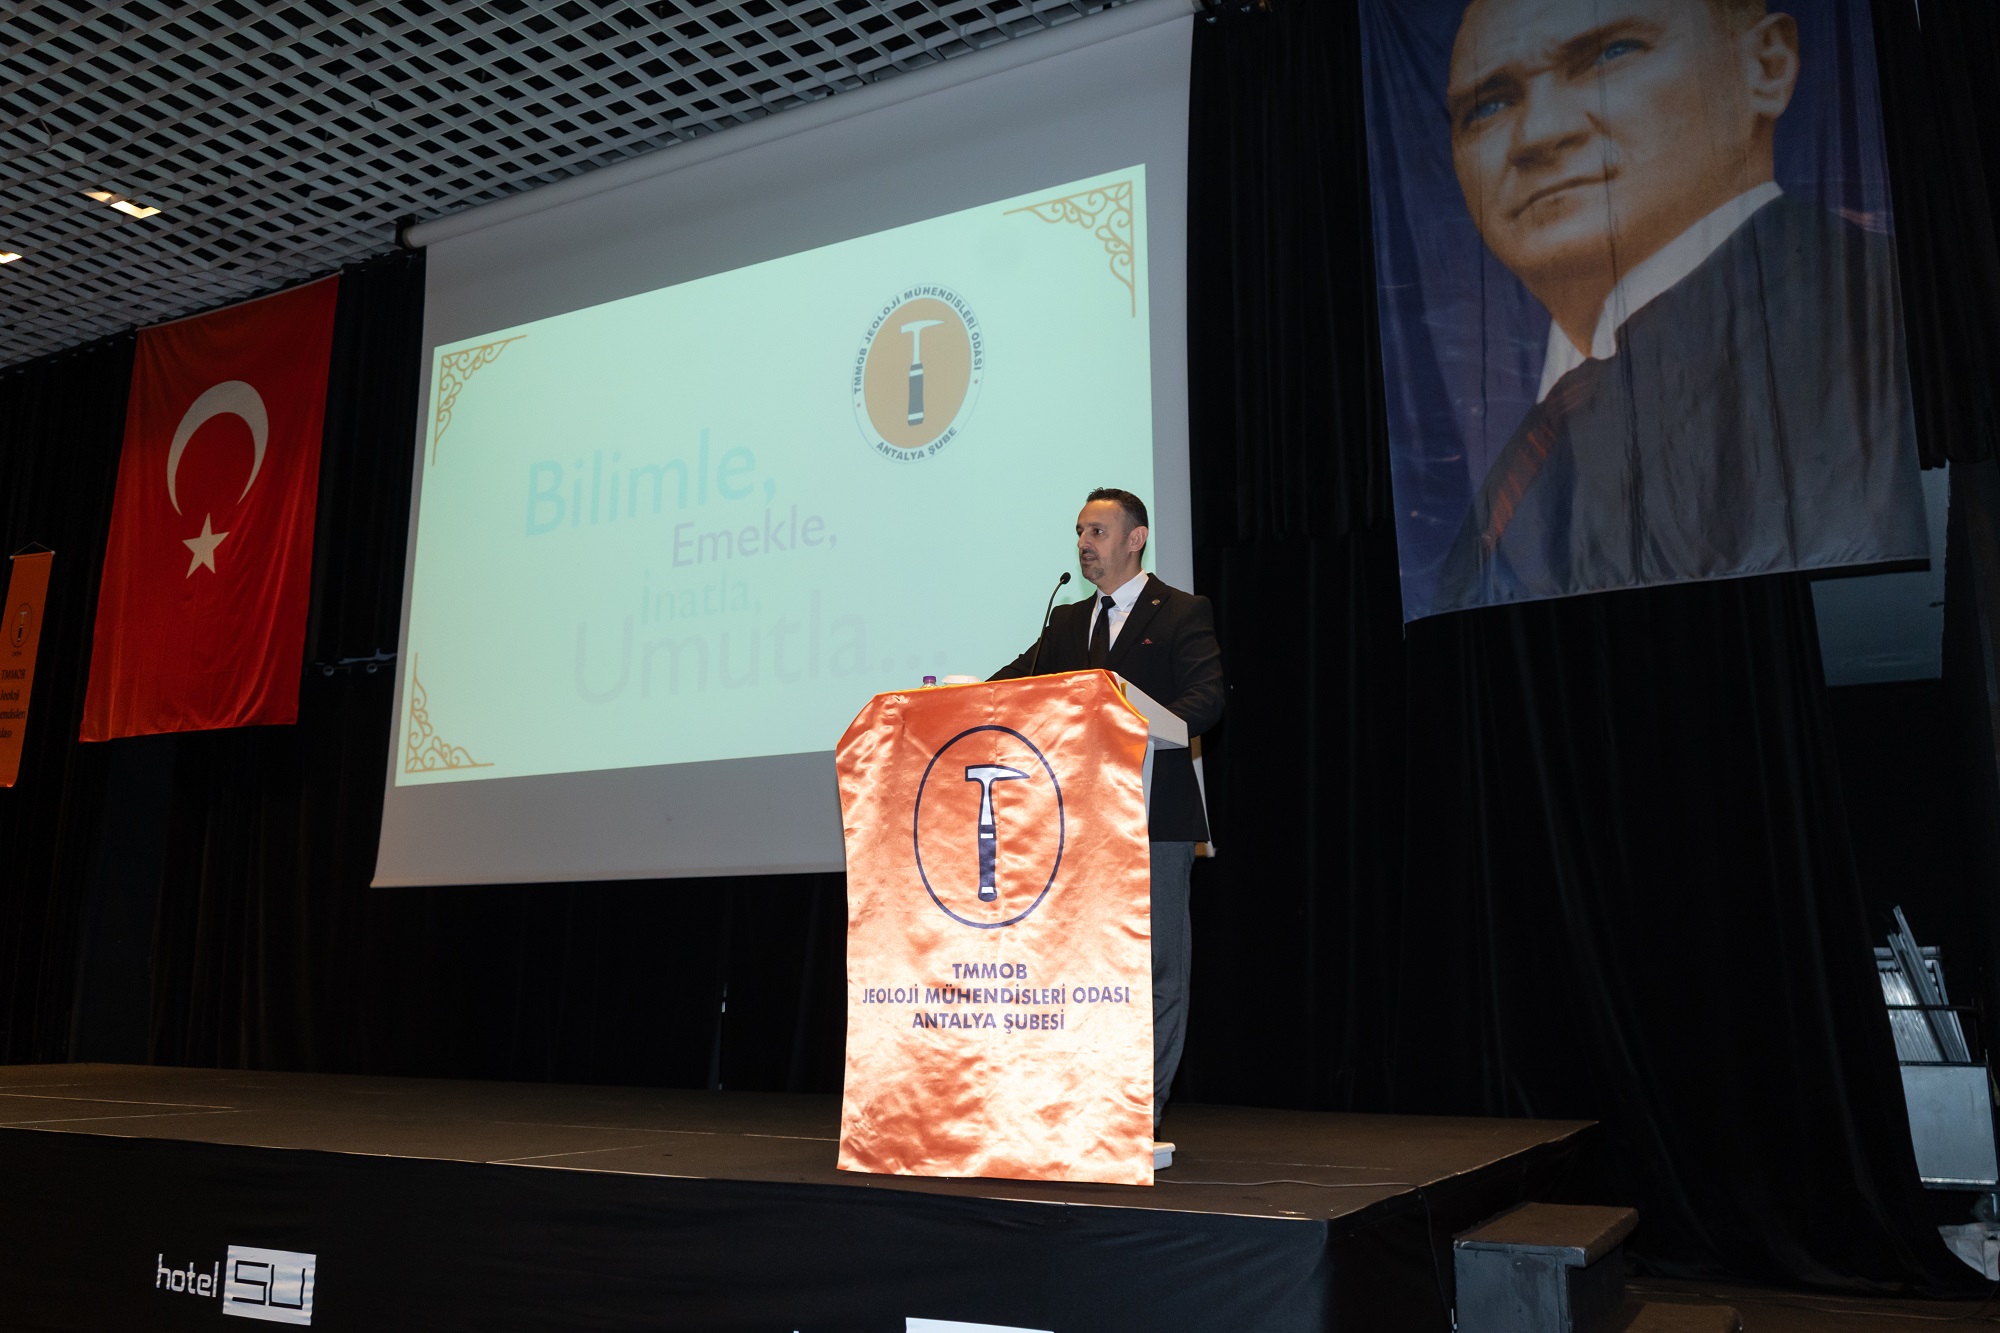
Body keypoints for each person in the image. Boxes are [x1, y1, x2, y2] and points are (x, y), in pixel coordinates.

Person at [1431, 0, 1926, 612]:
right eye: (1487, 106)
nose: (1538, 133)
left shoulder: (1878, 320)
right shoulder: (1533, 441)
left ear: (1766, 66)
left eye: (1609, 55)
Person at [990, 488, 1224, 1131]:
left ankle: (1141, 1113)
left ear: (1135, 539)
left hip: (1154, 818)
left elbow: (1205, 702)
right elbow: (1010, 684)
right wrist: (956, 699)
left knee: (1156, 967)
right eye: (1079, 532)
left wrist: (1131, 718)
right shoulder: (1068, 622)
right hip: (1079, 822)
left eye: (1096, 531)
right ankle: (1088, 1102)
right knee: (1085, 967)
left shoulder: (1181, 611)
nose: (1084, 544)